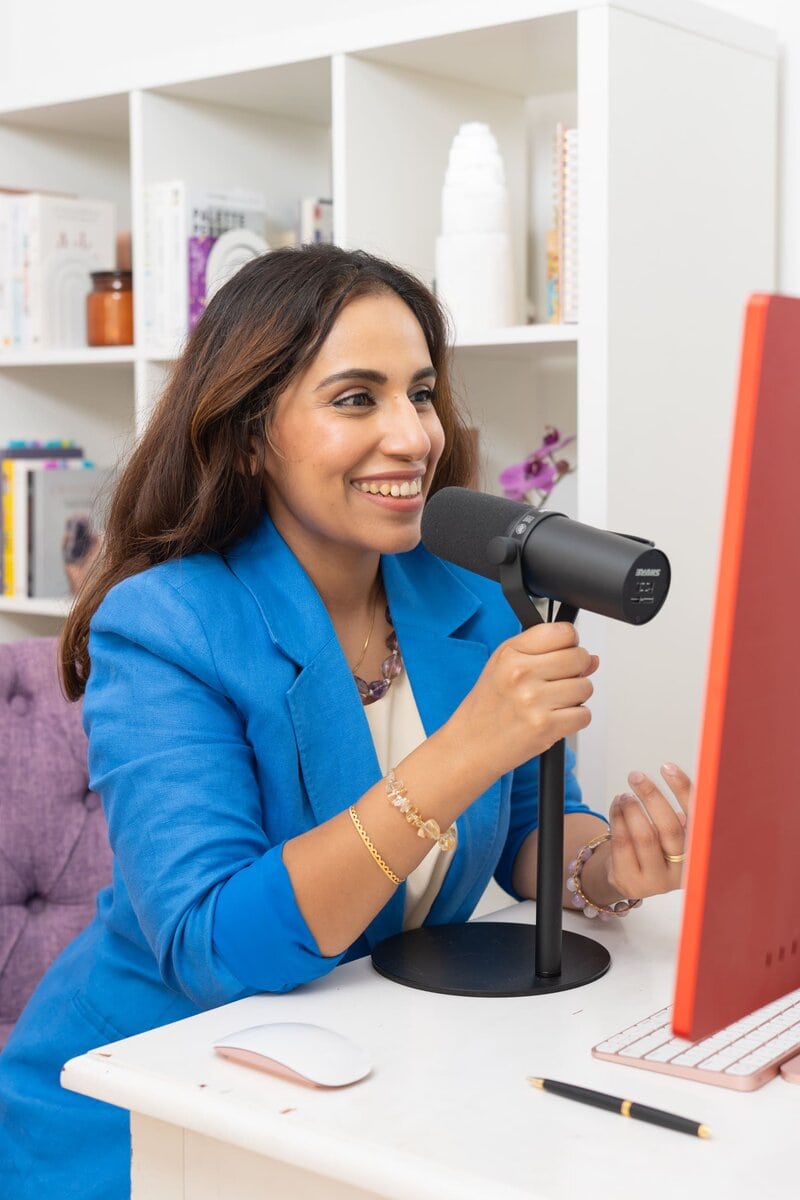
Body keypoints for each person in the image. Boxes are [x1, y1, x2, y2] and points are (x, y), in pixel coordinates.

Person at [0, 245, 690, 1198]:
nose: (412, 437)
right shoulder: (166, 626)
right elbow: (211, 945)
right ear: (250, 436)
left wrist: (605, 868)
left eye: (420, 393)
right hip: (147, 1101)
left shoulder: (469, 595)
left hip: (377, 1072)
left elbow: (531, 825)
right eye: (356, 398)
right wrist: (462, 751)